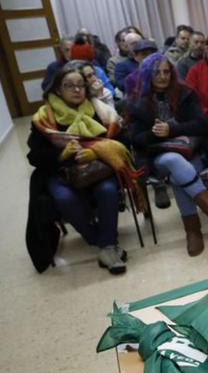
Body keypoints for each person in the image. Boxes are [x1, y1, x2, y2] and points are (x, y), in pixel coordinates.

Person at [27, 64, 144, 274]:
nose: (76, 90)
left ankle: (107, 246)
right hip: (60, 172)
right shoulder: (43, 118)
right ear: (57, 90)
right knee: (63, 198)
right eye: (69, 85)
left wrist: (96, 151)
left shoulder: (101, 111)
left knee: (107, 190)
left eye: (80, 85)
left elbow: (123, 142)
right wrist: (62, 155)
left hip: (97, 168)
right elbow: (34, 156)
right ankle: (102, 242)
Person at [126, 53, 208, 256]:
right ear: (147, 74)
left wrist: (171, 130)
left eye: (166, 71)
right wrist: (157, 134)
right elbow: (136, 139)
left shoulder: (185, 93)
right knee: (174, 161)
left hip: (191, 150)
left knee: (178, 174)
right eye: (156, 72)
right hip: (158, 155)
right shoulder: (138, 102)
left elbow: (202, 124)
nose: (162, 76)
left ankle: (193, 230)